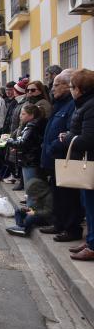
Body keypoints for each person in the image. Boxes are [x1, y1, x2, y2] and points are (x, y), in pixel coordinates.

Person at [38, 69, 83, 242]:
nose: (52, 88)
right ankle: (59, 223)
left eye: (56, 84)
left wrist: (52, 146)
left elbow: (71, 131)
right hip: (54, 157)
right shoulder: (60, 104)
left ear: (67, 86)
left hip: (64, 157)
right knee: (58, 193)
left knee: (68, 196)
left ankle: (71, 229)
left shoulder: (72, 104)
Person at [58, 69, 94, 261]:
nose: (70, 90)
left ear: (79, 89)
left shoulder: (90, 106)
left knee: (91, 206)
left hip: (90, 163)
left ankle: (93, 245)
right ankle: (90, 241)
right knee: (87, 206)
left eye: (71, 87)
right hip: (86, 161)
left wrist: (67, 137)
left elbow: (88, 139)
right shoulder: (85, 104)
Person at [6, 103, 46, 207]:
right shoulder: (33, 125)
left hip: (30, 160)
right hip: (31, 159)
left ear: (31, 115)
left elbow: (23, 143)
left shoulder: (31, 126)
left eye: (23, 114)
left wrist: (9, 141)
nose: (20, 116)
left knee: (31, 189)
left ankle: (32, 216)